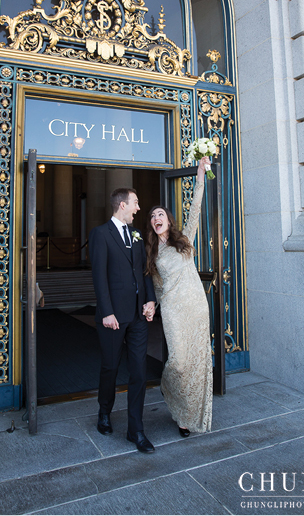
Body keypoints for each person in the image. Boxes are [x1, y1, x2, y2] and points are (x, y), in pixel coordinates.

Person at [145, 156, 213, 437]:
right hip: (173, 310)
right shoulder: (151, 254)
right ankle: (168, 389)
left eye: (160, 214)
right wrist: (152, 306)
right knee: (179, 362)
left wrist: (200, 176)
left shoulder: (184, 240)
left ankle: (186, 417)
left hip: (196, 305)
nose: (156, 218)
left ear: (168, 220)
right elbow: (158, 289)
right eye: (152, 216)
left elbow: (195, 209)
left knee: (198, 363)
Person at [88, 187, 157, 454]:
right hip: (113, 317)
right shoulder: (100, 234)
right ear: (122, 206)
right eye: (136, 204)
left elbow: (145, 271)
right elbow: (99, 277)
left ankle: (136, 430)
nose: (139, 209)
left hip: (138, 316)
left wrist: (150, 300)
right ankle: (104, 412)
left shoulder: (137, 235)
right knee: (110, 367)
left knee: (139, 372)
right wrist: (106, 312)